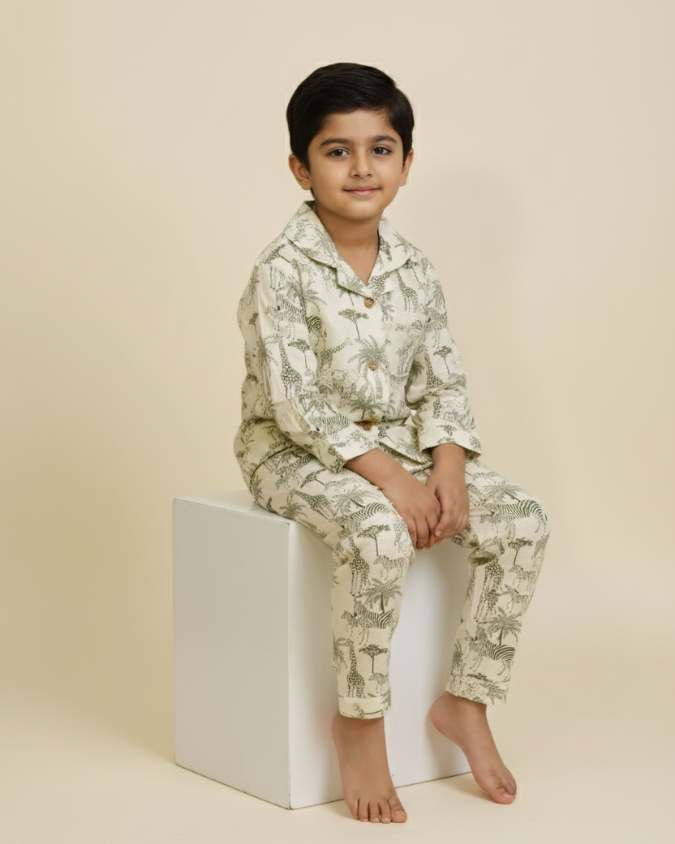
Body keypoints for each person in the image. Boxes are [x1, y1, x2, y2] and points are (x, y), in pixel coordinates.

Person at [233, 62, 549, 824]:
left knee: (523, 520)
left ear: (406, 163)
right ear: (299, 167)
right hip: (293, 452)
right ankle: (360, 720)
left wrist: (445, 472)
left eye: (380, 148)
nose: (361, 167)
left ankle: (466, 702)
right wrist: (393, 486)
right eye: (336, 151)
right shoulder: (281, 270)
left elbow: (441, 380)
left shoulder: (415, 270)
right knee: (378, 532)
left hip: (405, 447)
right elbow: (294, 401)